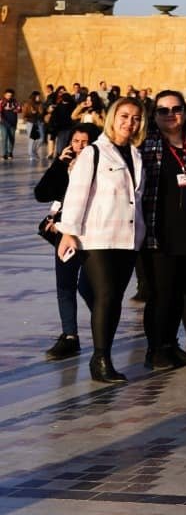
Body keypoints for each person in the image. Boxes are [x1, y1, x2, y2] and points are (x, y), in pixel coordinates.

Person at [53, 99, 147, 383]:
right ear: (111, 118)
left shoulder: (136, 154)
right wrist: (68, 231)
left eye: (135, 118)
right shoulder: (94, 152)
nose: (129, 122)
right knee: (105, 295)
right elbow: (77, 194)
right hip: (97, 237)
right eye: (124, 116)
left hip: (128, 237)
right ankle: (100, 358)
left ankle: (102, 356)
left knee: (114, 298)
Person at [137, 90, 186, 370]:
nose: (170, 115)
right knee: (160, 295)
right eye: (163, 110)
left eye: (176, 109)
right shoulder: (148, 145)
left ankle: (171, 344)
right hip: (158, 233)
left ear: (185, 112)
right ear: (154, 115)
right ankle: (156, 349)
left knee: (179, 294)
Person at [36, 124, 98, 360]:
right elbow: (41, 193)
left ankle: (104, 327)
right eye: (76, 141)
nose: (80, 147)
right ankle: (70, 336)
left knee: (87, 286)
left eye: (85, 142)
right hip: (65, 234)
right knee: (65, 285)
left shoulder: (100, 168)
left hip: (93, 234)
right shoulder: (67, 167)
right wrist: (59, 164)